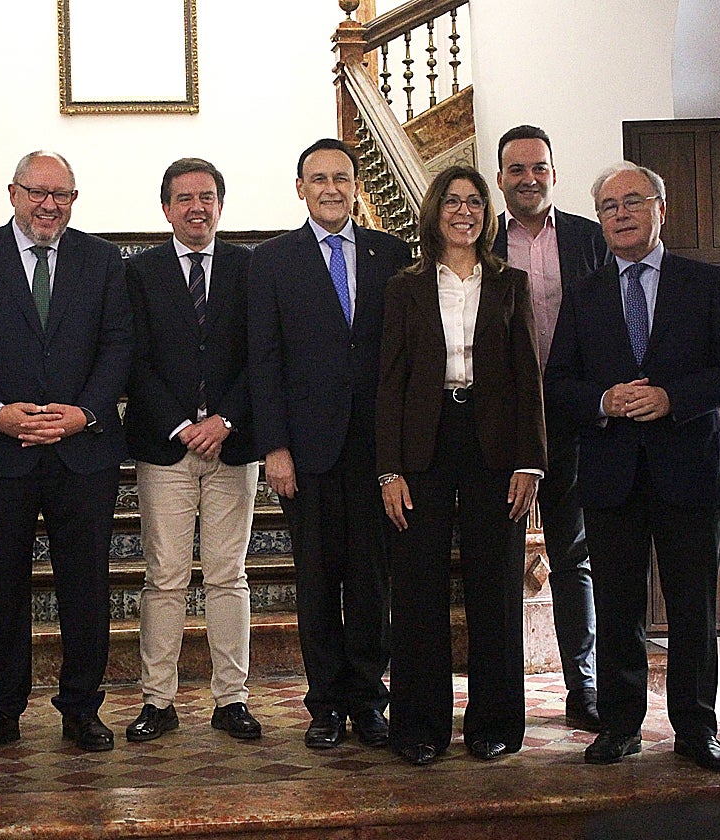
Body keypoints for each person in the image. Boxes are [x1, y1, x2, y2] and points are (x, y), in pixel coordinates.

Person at [545, 162, 720, 771]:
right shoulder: (584, 294)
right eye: (608, 207)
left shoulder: (704, 282)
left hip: (689, 471)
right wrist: (603, 400)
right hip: (612, 476)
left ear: (659, 209)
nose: (620, 215)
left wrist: (673, 398)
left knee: (693, 609)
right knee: (617, 609)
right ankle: (619, 726)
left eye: (631, 202)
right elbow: (559, 382)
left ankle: (696, 729)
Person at [0, 150, 131, 755]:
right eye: (38, 192)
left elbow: (119, 345)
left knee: (86, 587)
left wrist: (85, 413)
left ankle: (81, 709)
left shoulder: (102, 261)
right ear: (13, 193)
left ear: (74, 200)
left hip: (83, 454)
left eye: (62, 195)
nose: (49, 205)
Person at [377, 165, 546, 766]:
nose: (464, 211)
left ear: (486, 212)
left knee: (495, 588)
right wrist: (388, 471)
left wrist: (531, 462)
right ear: (435, 211)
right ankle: (420, 728)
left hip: (494, 450)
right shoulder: (405, 287)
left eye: (474, 202)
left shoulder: (511, 285)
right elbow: (390, 384)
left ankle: (495, 724)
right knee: (418, 588)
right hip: (424, 446)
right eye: (452, 201)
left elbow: (529, 378)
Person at [247, 138, 411, 749]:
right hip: (305, 452)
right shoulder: (270, 262)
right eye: (319, 178)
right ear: (300, 188)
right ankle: (324, 707)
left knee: (372, 580)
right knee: (317, 581)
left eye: (342, 177)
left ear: (357, 184)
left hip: (376, 449)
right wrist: (275, 447)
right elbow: (263, 362)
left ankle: (369, 700)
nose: (332, 189)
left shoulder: (391, 254)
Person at [123, 158, 261, 742]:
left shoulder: (250, 269)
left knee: (229, 576)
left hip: (234, 447)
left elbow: (264, 355)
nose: (196, 207)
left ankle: (232, 699)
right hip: (166, 447)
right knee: (166, 577)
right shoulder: (139, 273)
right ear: (165, 209)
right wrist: (182, 425)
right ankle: (159, 700)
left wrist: (226, 419)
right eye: (184, 198)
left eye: (206, 197)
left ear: (220, 206)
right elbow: (133, 360)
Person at [491, 125, 609, 731]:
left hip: (574, 421)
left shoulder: (592, 241)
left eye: (538, 168)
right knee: (497, 561)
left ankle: (583, 687)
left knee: (573, 558)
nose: (528, 178)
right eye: (516, 169)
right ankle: (500, 695)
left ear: (553, 173)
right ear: (501, 176)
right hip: (500, 424)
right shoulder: (480, 244)